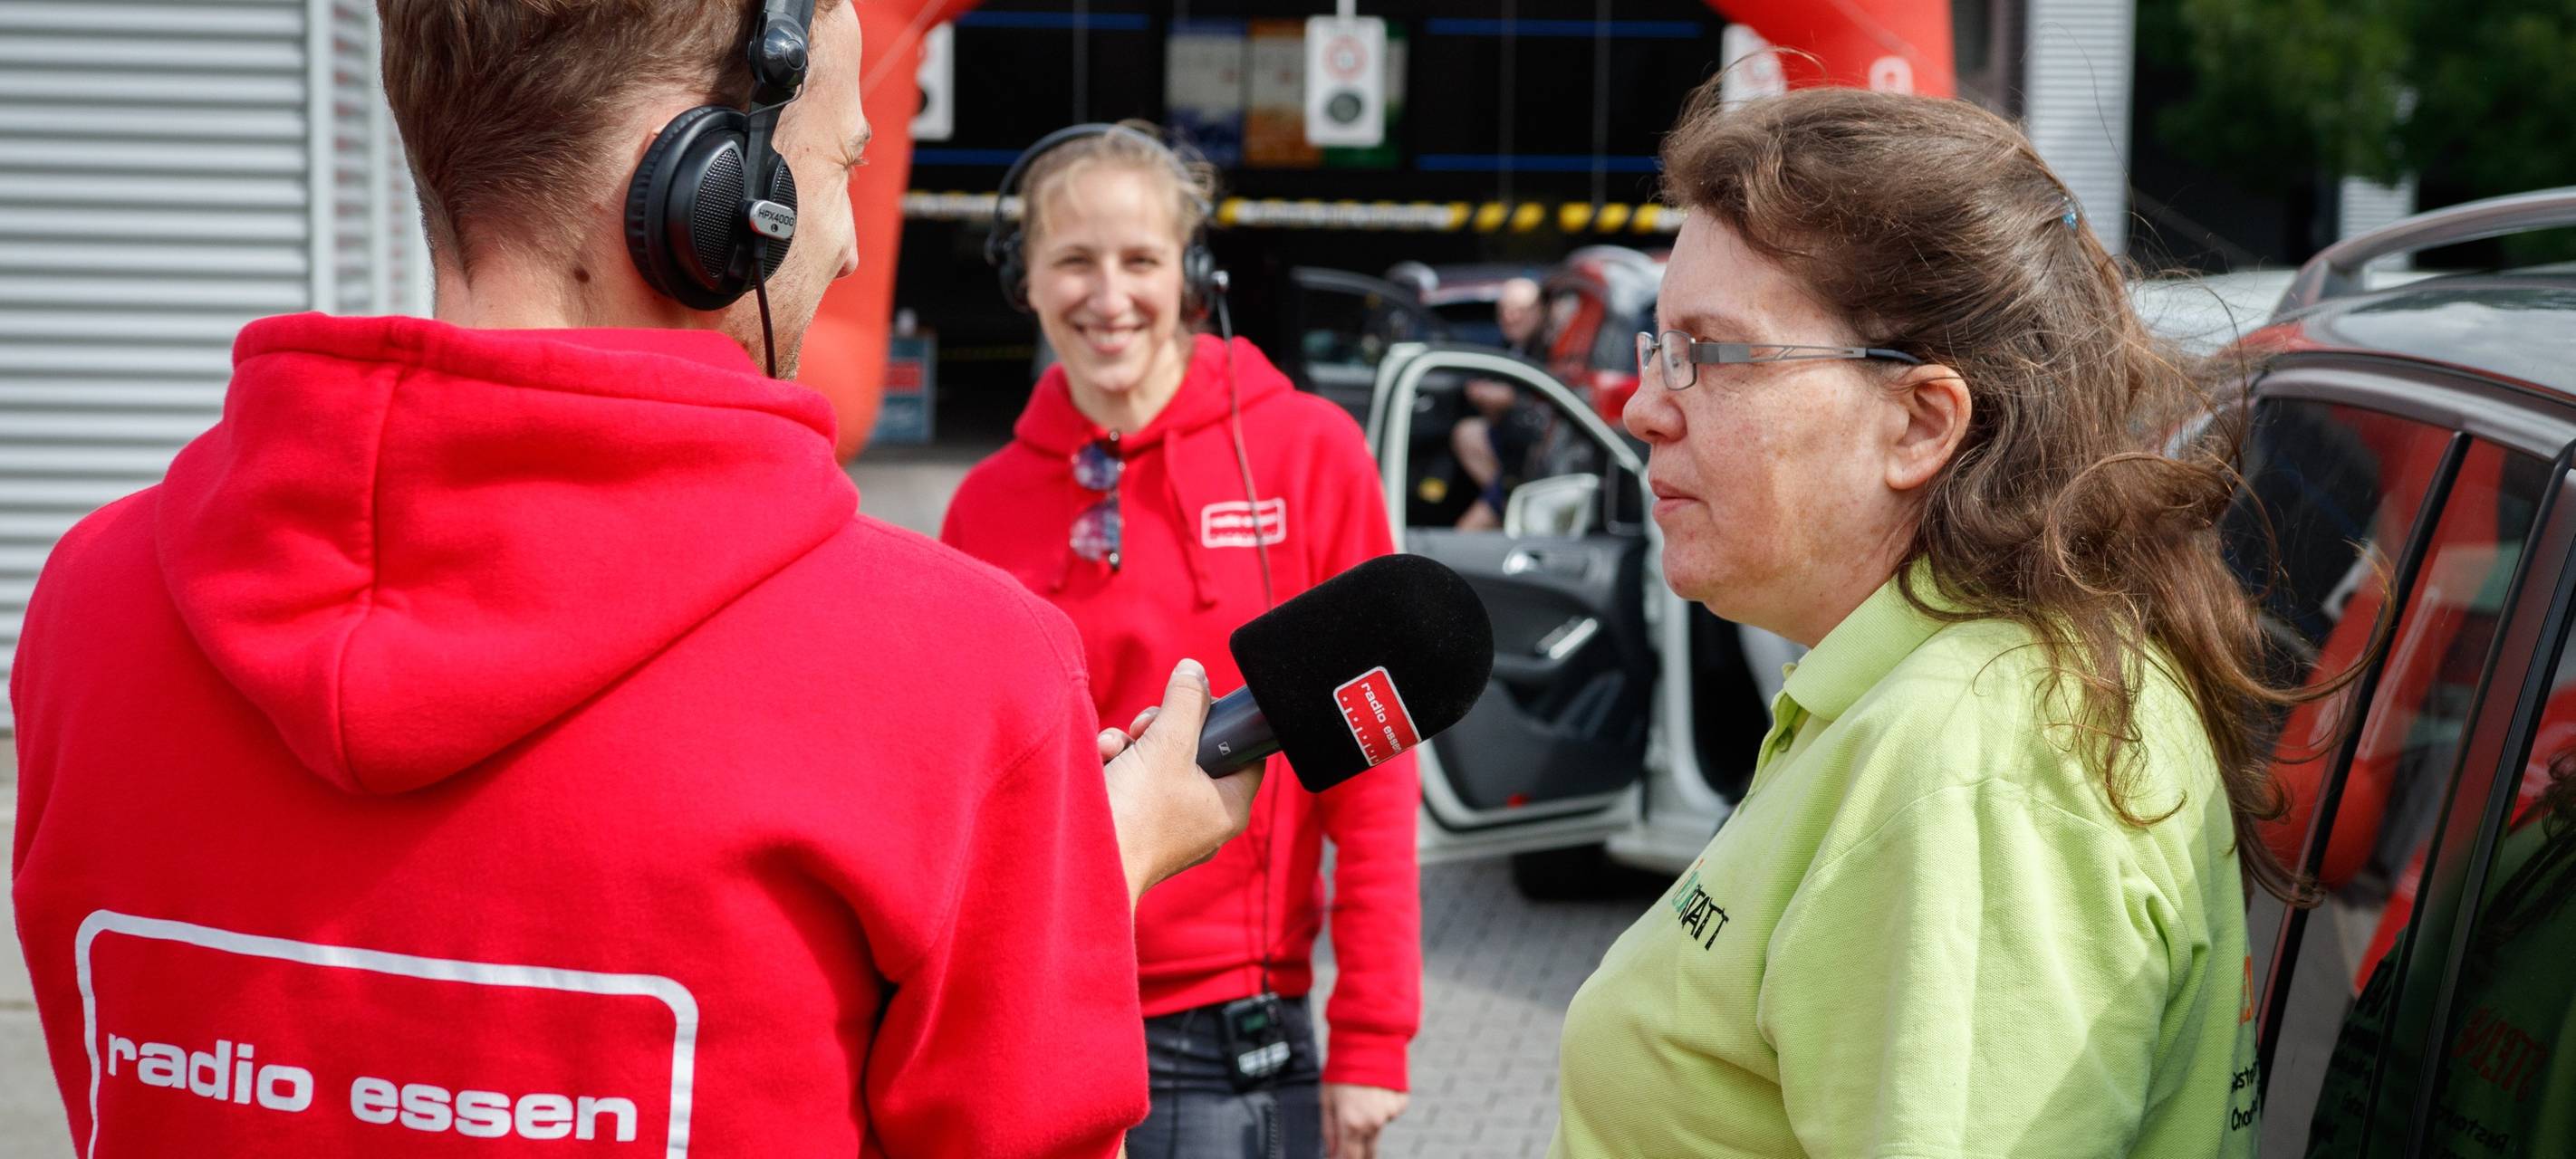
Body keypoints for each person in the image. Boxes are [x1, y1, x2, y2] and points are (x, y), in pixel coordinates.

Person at [9, 5, 1254, 1155]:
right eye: (840, 167)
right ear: (713, 195)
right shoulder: (963, 678)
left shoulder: (90, 606)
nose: (851, 238)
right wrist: (1081, 888)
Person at [1550, 83, 2343, 1157]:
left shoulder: (1976, 760)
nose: (1644, 404)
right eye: (1659, 347)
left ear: (1921, 422)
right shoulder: (1951, 696)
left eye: (1714, 354)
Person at [940, 122, 1421, 1159]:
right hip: (1040, 1011)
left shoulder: (1307, 456)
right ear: (1023, 278)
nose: (1108, 296)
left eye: (1140, 260)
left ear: (1192, 272)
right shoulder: (984, 506)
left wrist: (1372, 1035)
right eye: (1073, 259)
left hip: (1232, 1031)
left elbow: (1374, 771)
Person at [1452, 277, 1550, 531]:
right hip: (1510, 456)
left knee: (1466, 533)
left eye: (1520, 310)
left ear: (1540, 311)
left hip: (1532, 460)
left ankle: (1512, 506)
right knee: (1467, 432)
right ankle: (1511, 507)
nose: (1510, 316)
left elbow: (1544, 408)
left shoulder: (1548, 350)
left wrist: (1511, 399)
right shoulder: (1511, 346)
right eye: (1504, 310)